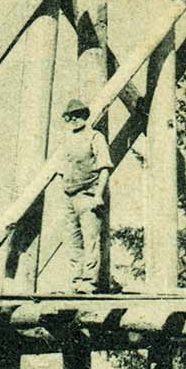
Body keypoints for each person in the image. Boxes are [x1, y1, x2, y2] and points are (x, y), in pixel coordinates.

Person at [53, 98, 112, 293]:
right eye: (71, 117)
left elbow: (104, 167)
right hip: (69, 196)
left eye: (79, 115)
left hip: (88, 195)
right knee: (73, 240)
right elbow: (62, 168)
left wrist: (98, 195)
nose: (75, 120)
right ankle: (76, 281)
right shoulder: (66, 141)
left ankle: (89, 282)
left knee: (91, 240)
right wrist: (62, 189)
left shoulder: (95, 137)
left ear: (85, 117)